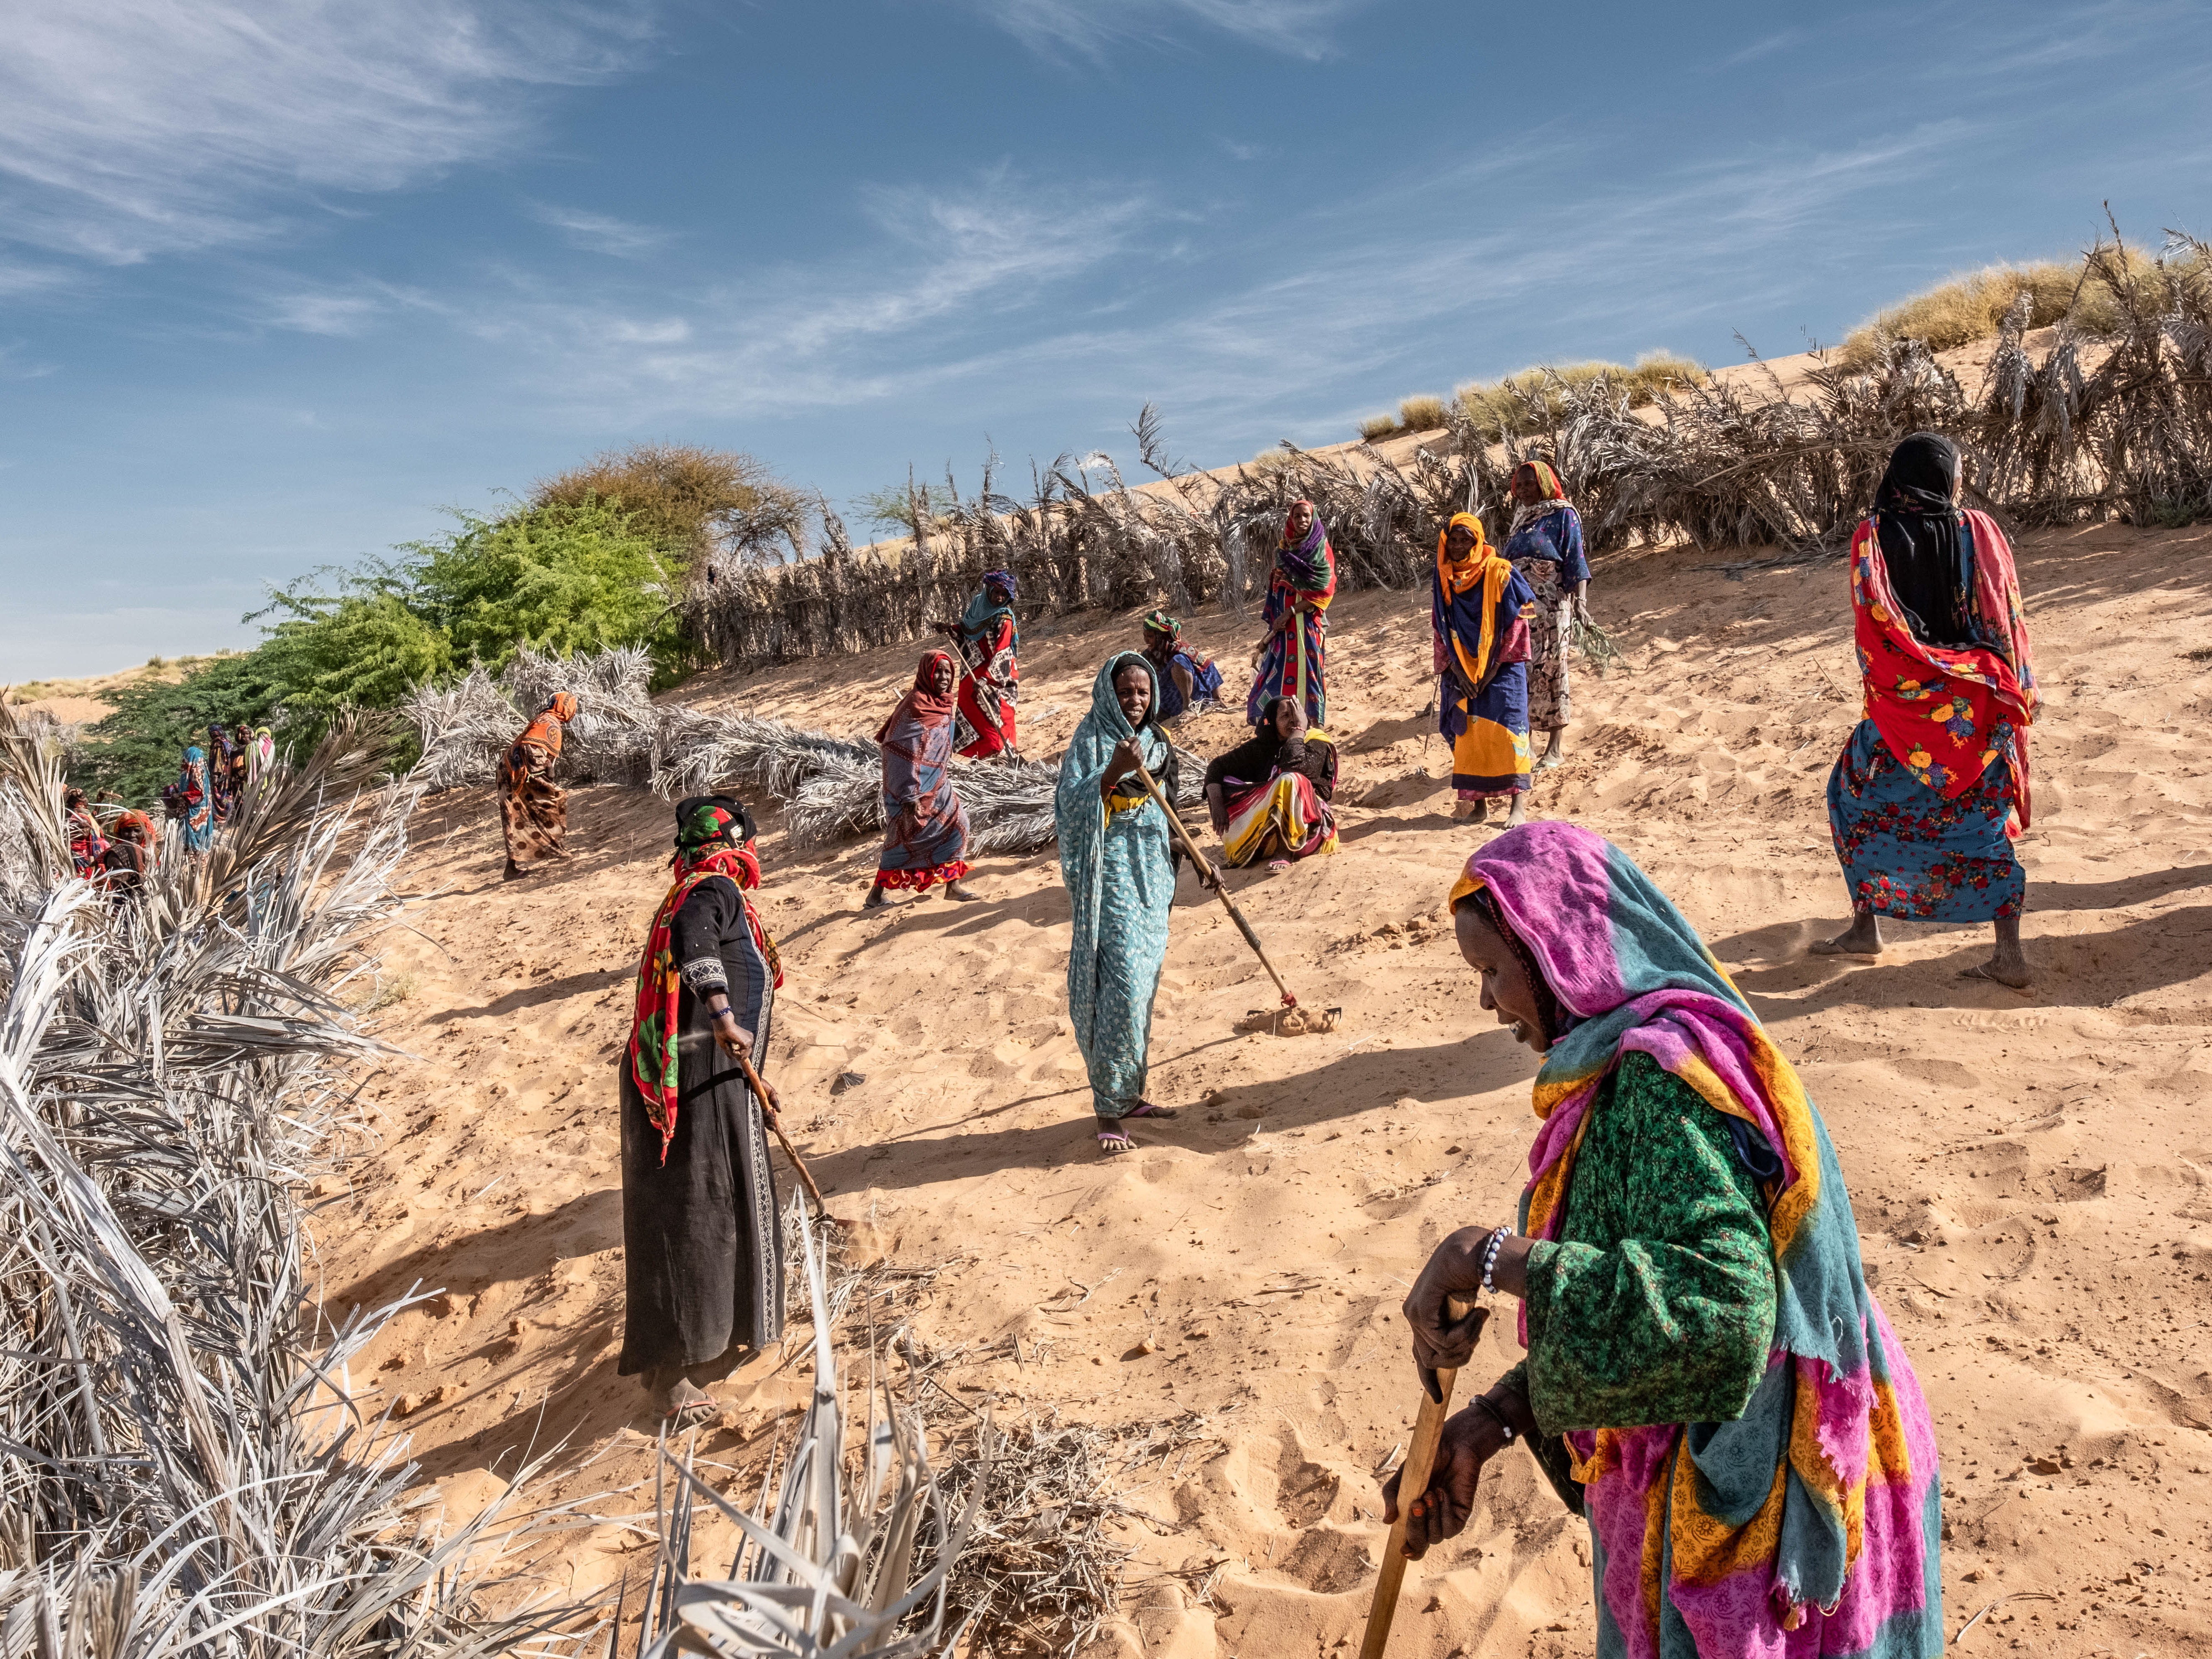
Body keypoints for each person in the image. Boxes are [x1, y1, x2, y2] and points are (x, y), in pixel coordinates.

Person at [1383, 822, 1943, 1659]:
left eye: (1493, 970)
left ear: (1557, 953)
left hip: (1770, 1507)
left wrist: (1486, 1255)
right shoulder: (1631, 1067)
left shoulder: (1659, 1083)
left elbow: (1718, 1313)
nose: (1486, 999)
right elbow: (1656, 1303)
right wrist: (1493, 1419)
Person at [1813, 433, 2037, 987]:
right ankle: (2008, 953)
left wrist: (1911, 685)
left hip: (1905, 708)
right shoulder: (1978, 529)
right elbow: (2005, 618)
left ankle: (1866, 926)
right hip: (1978, 701)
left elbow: (1876, 633)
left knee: (1852, 797)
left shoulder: (1872, 536)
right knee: (1982, 822)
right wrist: (1997, 682)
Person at [619, 794, 786, 1428]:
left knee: (722, 1201)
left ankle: (726, 1333)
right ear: (734, 842)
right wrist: (720, 1013)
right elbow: (696, 948)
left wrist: (758, 1084)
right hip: (690, 1086)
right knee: (693, 1210)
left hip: (714, 1083)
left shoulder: (716, 895)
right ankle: (672, 1375)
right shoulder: (710, 887)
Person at [1055, 652, 1219, 1156]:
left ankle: (1129, 1095)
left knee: (1144, 984)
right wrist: (1111, 772)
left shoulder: (1158, 742)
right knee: (1121, 984)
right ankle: (1106, 1107)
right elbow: (1070, 808)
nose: (1134, 701)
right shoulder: (1090, 742)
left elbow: (1165, 810)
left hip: (1152, 876)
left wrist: (1195, 858)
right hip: (1111, 877)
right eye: (1125, 692)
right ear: (1108, 692)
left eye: (1143, 692)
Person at [1432, 511, 1536, 825]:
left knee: (1509, 731)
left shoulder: (1500, 572)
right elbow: (1440, 626)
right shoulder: (1443, 576)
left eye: (1467, 540)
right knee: (1469, 736)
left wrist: (1489, 670)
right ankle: (1478, 807)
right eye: (1455, 539)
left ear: (1479, 541)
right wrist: (1458, 671)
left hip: (1502, 666)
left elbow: (1519, 621)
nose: (1460, 546)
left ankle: (1518, 806)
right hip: (1461, 669)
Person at [866, 650, 980, 907]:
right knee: (904, 839)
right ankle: (875, 895)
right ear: (926, 673)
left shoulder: (945, 701)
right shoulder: (916, 703)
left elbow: (949, 740)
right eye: (938, 671)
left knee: (957, 824)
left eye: (948, 672)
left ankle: (953, 886)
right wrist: (909, 793)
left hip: (938, 783)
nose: (943, 677)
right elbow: (895, 748)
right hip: (912, 789)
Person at [1502, 461, 1592, 772]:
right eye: (1519, 484)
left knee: (1553, 668)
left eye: (1529, 483)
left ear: (1543, 483)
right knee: (1522, 672)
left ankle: (1554, 750)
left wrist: (1580, 601)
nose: (1523, 490)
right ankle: (1526, 748)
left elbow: (1576, 560)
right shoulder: (1521, 521)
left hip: (1552, 608)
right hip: (1518, 611)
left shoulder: (1563, 515)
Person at [1203, 695, 1338, 870]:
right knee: (1224, 784)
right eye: (1285, 717)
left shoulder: (1316, 741)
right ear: (1272, 722)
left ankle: (1284, 851)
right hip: (1267, 841)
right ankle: (1245, 847)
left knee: (1290, 779)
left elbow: (1294, 766)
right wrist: (1218, 804)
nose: (1293, 721)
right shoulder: (1262, 747)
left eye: (1296, 715)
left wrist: (1299, 729)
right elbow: (1216, 767)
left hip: (1311, 834)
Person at [1246, 499, 1335, 730]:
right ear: (1291, 519)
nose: (1302, 520)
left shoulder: (1320, 548)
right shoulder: (1285, 549)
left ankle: (1312, 722)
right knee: (1275, 672)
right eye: (1297, 516)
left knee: (1308, 673)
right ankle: (1277, 722)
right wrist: (1278, 620)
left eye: (1306, 516)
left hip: (1306, 626)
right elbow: (1276, 586)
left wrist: (1291, 612)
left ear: (1313, 518)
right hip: (1283, 630)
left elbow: (1325, 590)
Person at [936, 569, 1020, 758]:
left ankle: (1001, 757)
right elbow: (965, 631)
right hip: (971, 672)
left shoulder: (1004, 619)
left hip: (996, 677)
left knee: (998, 717)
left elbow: (1004, 651)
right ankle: (979, 757)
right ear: (988, 591)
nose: (999, 598)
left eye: (1004, 594)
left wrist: (989, 679)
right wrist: (950, 629)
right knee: (972, 714)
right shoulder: (976, 610)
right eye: (996, 593)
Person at [499, 692, 579, 880]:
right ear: (565, 707)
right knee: (555, 798)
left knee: (516, 814)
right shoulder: (549, 722)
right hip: (516, 772)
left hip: (513, 770)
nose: (573, 712)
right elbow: (529, 745)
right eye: (571, 707)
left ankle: (515, 866)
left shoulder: (548, 719)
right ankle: (553, 848)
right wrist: (546, 770)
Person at [1140, 610, 1223, 722]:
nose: (1146, 640)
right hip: (1169, 703)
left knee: (1179, 660)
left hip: (1197, 699)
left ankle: (1188, 707)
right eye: (1145, 636)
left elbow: (1207, 665)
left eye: (1150, 636)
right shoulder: (1148, 655)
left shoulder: (1179, 649)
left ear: (1160, 636)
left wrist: (1218, 698)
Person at [101, 807, 158, 901]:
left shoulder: (156, 854)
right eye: (127, 831)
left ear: (146, 832)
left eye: (137, 831)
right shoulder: (116, 853)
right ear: (120, 833)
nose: (132, 835)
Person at [175, 741, 215, 856]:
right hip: (203, 807)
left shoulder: (196, 771)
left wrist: (181, 795)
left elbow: (198, 793)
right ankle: (200, 853)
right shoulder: (202, 768)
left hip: (195, 808)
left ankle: (195, 854)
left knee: (195, 830)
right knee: (203, 827)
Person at [63, 786, 108, 880]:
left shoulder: (101, 845)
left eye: (86, 827)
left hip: (98, 886)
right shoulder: (65, 847)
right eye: (80, 827)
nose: (84, 830)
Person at [205, 725, 238, 824]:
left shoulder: (218, 743)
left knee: (220, 795)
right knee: (226, 795)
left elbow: (219, 760)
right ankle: (226, 818)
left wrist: (216, 774)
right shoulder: (227, 742)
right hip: (228, 774)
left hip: (221, 775)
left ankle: (220, 820)